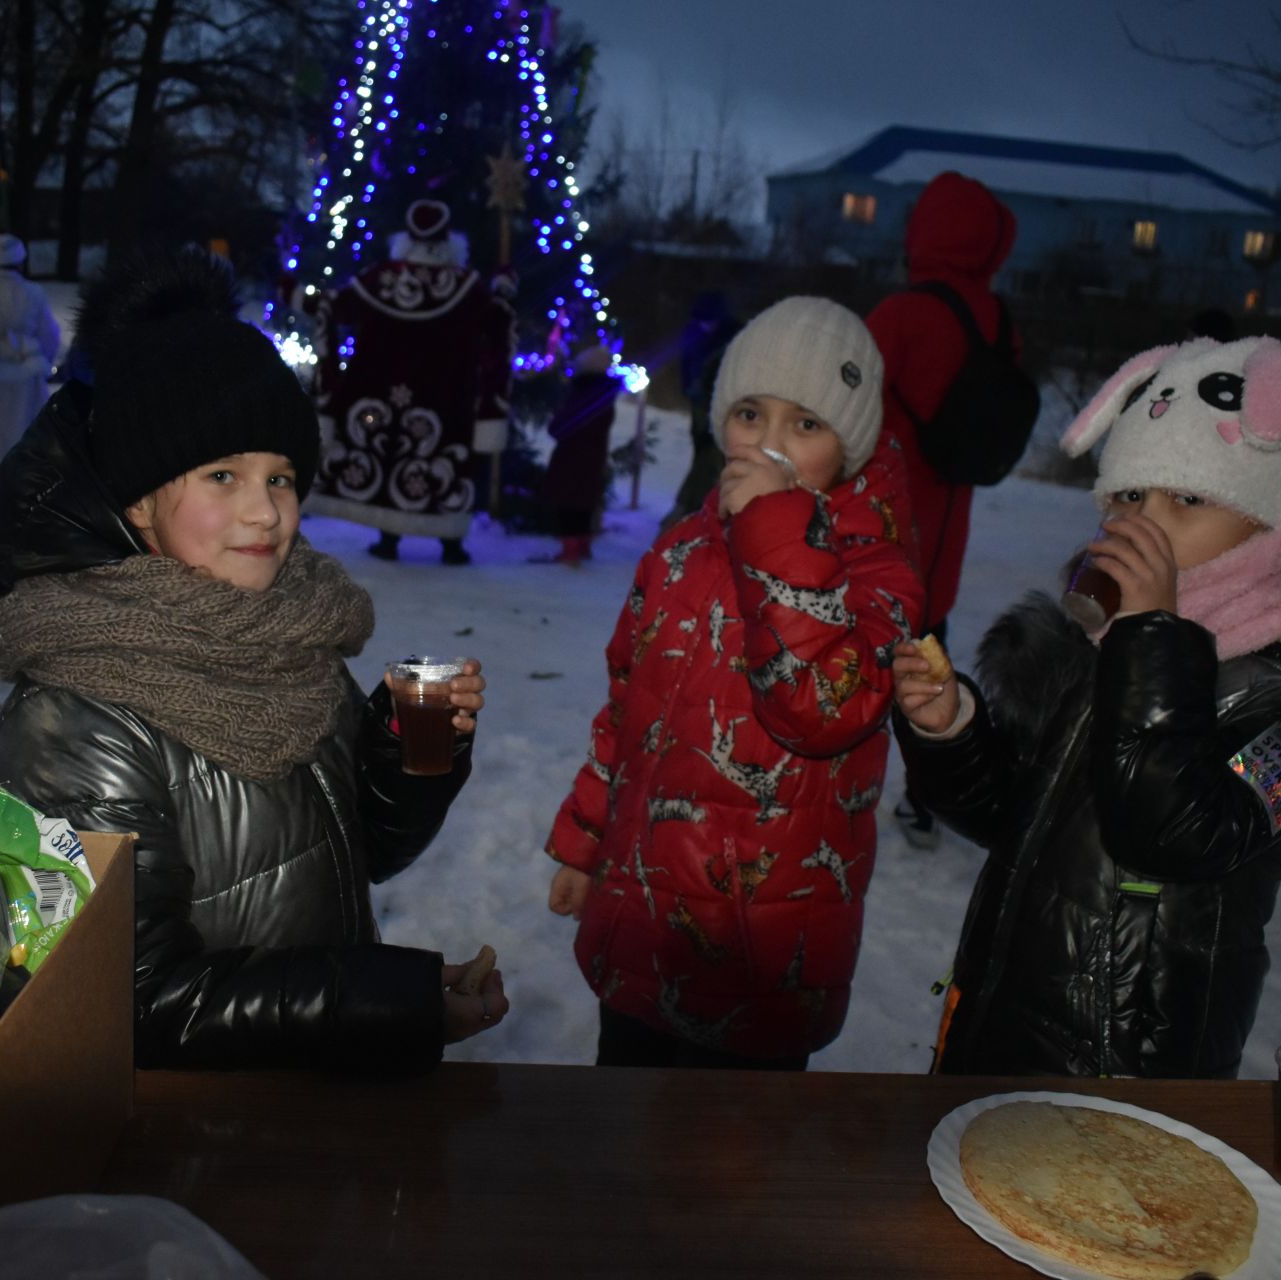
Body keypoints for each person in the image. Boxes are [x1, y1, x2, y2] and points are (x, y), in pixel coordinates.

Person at [0, 247, 508, 1072]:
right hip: (180, 1144)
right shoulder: (73, 719)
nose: (266, 511)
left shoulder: (286, 637)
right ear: (140, 500)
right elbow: (120, 1002)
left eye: (283, 476)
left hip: (303, 1100)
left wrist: (407, 757)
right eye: (223, 474)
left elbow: (348, 853)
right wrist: (377, 1000)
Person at [891, 336, 1281, 1079]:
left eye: (1186, 499)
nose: (1147, 523)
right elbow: (1012, 816)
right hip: (1005, 1027)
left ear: (1267, 515)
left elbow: (1169, 833)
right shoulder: (1098, 647)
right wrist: (949, 727)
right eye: (1129, 496)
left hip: (1133, 1072)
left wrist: (1151, 639)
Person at [544, 297, 925, 1069]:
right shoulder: (681, 550)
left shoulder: (875, 571)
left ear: (849, 448)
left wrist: (777, 535)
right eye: (752, 414)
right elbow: (627, 709)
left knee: (731, 1171)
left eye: (806, 424)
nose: (772, 444)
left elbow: (822, 709)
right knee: (621, 1144)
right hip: (645, 922)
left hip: (761, 952)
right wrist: (584, 848)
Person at [865, 171, 1020, 850]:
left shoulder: (901, 314)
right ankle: (925, 797)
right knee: (930, 664)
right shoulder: (998, 320)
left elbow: (844, 401)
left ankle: (833, 784)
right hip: (945, 538)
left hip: (881, 526)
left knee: (853, 660)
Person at [307, 199, 514, 566]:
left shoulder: (380, 278)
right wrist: (503, 290)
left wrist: (302, 298)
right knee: (443, 455)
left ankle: (389, 538)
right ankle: (451, 544)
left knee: (387, 452)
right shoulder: (465, 286)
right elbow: (496, 323)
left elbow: (336, 306)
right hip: (446, 397)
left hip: (379, 391)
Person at [0, 232, 60, 488]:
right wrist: (42, 358)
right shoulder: (33, 291)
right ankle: (16, 470)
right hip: (24, 363)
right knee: (19, 420)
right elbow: (49, 332)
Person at [661, 291, 742, 531]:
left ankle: (697, 512)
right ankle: (692, 510)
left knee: (712, 462)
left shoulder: (731, 338)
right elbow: (687, 361)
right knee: (701, 455)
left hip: (720, 408)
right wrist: (688, 387)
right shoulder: (695, 332)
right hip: (699, 405)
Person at [532, 342, 620, 566]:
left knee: (568, 502)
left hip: (571, 457)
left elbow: (560, 426)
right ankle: (582, 544)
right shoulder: (605, 397)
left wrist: (558, 424)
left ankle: (570, 549)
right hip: (593, 457)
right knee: (583, 502)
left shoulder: (582, 394)